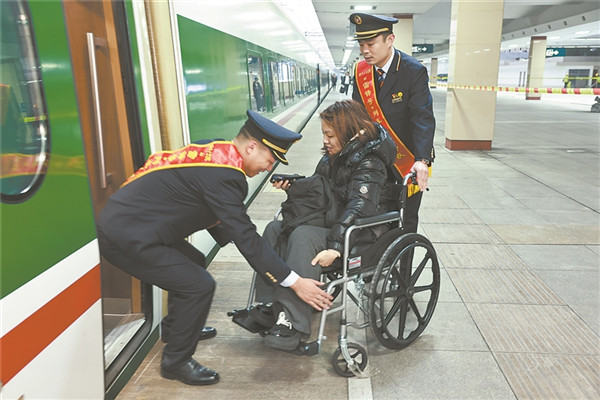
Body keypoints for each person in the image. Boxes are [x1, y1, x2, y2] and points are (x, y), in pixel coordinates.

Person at [96, 110, 333, 386]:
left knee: (193, 260)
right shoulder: (226, 177)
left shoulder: (215, 149)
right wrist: (294, 281)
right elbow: (247, 238)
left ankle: (179, 329)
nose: (269, 168)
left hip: (137, 223)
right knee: (198, 285)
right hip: (126, 235)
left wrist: (237, 232)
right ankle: (176, 361)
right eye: (270, 160)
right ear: (251, 147)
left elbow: (209, 207)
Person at [253, 100, 398, 351]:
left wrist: (335, 247)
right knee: (275, 229)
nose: (325, 140)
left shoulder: (370, 162)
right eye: (324, 134)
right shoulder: (332, 157)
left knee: (303, 236)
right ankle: (270, 306)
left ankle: (294, 324)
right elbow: (320, 189)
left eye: (330, 135)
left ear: (349, 131)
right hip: (336, 223)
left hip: (362, 231)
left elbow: (360, 207)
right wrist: (294, 186)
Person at [350, 13, 435, 234]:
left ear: (390, 40)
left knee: (406, 219)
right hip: (375, 159)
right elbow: (357, 115)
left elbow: (422, 118)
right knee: (374, 217)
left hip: (408, 161)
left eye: (371, 44)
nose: (365, 50)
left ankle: (404, 258)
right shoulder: (360, 73)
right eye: (361, 44)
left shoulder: (413, 71)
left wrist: (421, 160)